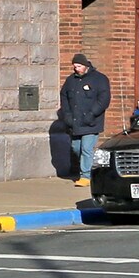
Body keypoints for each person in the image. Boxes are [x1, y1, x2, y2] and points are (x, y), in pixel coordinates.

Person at [58, 52, 112, 187]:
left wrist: (92, 114)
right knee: (76, 148)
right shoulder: (71, 80)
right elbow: (64, 97)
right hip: (75, 122)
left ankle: (86, 176)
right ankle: (93, 170)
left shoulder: (99, 79)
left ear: (86, 65)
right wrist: (67, 116)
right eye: (75, 66)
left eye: (79, 66)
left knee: (87, 149)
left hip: (91, 122)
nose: (77, 69)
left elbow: (103, 99)